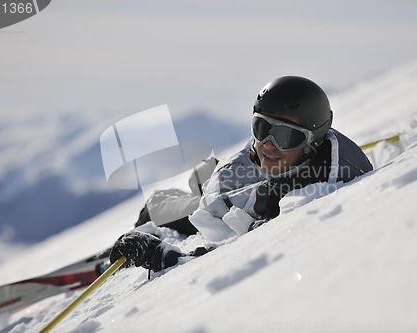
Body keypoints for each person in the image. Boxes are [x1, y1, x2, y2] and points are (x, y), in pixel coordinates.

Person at [109, 76, 373, 273]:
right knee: (205, 178)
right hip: (233, 191)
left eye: (285, 136)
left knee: (158, 209)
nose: (268, 144)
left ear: (311, 143)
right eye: (262, 128)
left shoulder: (309, 199)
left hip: (226, 207)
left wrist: (157, 256)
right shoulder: (288, 159)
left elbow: (231, 256)